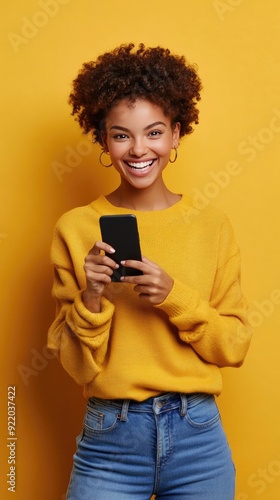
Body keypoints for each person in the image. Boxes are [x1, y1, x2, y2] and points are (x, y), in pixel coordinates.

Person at [48, 43, 252, 500]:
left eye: (154, 132)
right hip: (110, 438)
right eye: (121, 135)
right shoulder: (76, 228)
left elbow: (234, 345)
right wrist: (93, 297)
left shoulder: (211, 226)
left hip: (198, 436)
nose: (139, 149)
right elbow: (76, 366)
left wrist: (173, 296)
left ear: (177, 135)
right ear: (102, 140)